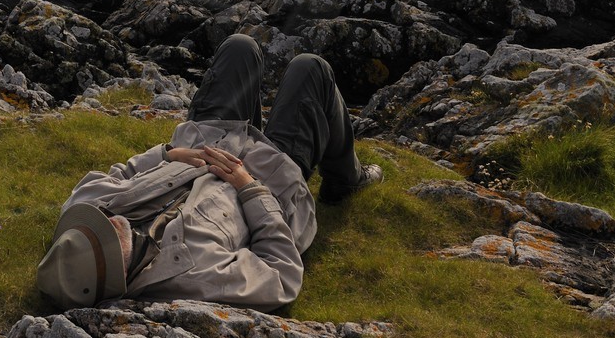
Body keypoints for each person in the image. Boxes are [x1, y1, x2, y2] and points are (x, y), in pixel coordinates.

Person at [36, 34, 382, 310]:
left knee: (239, 47)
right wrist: (250, 190)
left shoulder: (82, 231)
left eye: (95, 230)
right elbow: (281, 274)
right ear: (119, 270)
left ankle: (263, 136)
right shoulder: (197, 277)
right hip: (270, 174)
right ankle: (345, 181)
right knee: (311, 68)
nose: (106, 223)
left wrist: (167, 153)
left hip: (206, 140)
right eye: (106, 238)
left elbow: (108, 179)